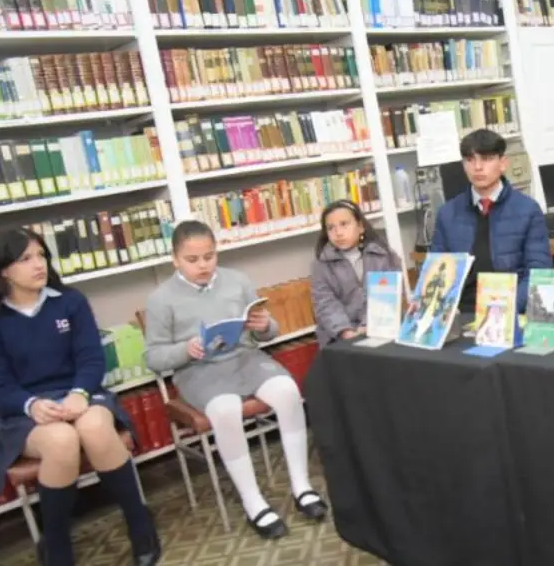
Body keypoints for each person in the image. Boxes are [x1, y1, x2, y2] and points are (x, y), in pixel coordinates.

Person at [0, 228, 159, 566]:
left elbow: (91, 359)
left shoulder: (70, 302)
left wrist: (80, 393)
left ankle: (139, 523)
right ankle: (56, 543)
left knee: (95, 428)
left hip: (81, 393)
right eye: (26, 259)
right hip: (25, 410)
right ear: (3, 270)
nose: (38, 264)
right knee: (61, 440)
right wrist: (32, 405)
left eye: (41, 255)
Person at [144, 220, 326, 539]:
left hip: (244, 358)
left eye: (209, 256)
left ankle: (302, 486)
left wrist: (264, 325)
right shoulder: (161, 299)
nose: (203, 265)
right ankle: (253, 501)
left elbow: (269, 332)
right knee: (226, 409)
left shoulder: (237, 281)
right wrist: (185, 349)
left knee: (287, 391)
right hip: (198, 370)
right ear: (175, 260)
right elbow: (153, 357)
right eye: (192, 260)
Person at [430, 128, 551, 313]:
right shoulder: (447, 214)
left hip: (511, 310)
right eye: (470, 160)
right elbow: (436, 274)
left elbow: (538, 273)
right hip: (463, 312)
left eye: (486, 159)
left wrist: (507, 309)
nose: (477, 167)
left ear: (503, 163)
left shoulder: (528, 210)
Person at [311, 199, 402, 346]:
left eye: (344, 224)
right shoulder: (321, 264)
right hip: (339, 334)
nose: (338, 233)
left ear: (360, 227)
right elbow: (325, 303)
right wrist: (345, 331)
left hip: (381, 327)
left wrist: (367, 326)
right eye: (331, 228)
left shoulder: (383, 255)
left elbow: (388, 297)